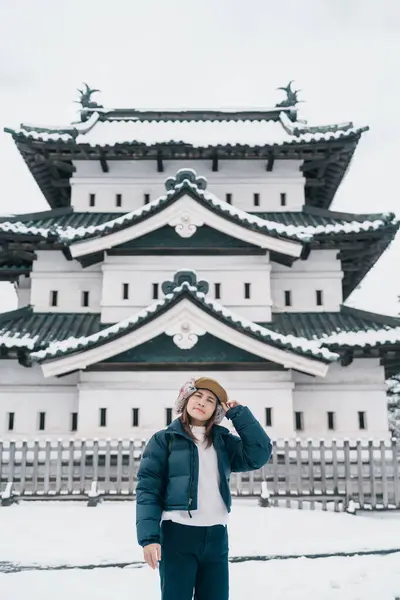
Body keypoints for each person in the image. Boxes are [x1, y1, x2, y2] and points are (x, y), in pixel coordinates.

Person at [135, 376, 272, 600]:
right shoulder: (163, 440)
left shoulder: (223, 442)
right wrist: (149, 538)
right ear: (186, 400)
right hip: (177, 534)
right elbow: (148, 490)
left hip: (217, 535)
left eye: (210, 400)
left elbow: (259, 453)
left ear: (216, 411)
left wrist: (238, 414)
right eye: (197, 396)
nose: (202, 402)